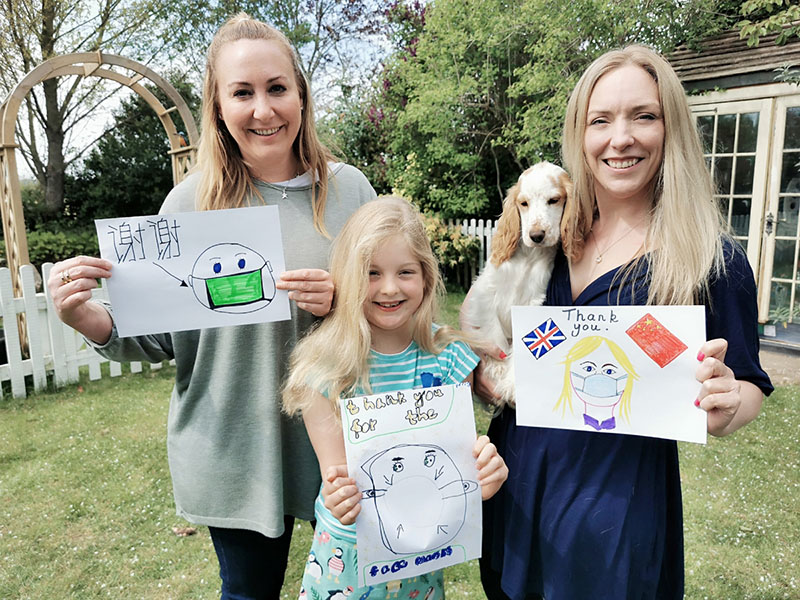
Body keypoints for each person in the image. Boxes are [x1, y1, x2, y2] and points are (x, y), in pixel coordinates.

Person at [46, 14, 376, 600]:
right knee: (248, 592)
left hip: (342, 442)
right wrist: (84, 317)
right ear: (218, 106)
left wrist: (344, 305)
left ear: (301, 93)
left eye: (277, 88)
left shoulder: (351, 191)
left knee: (360, 588)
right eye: (242, 92)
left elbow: (394, 303)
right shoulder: (188, 204)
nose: (264, 109)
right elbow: (157, 337)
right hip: (233, 448)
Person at [470, 45, 774, 600]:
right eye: (600, 120)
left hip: (613, 517)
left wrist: (730, 403)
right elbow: (495, 335)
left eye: (644, 116)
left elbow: (749, 383)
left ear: (671, 127)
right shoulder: (552, 240)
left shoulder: (710, 258)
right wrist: (481, 371)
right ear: (580, 134)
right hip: (515, 491)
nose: (621, 138)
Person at [282, 196, 509, 599]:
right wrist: (338, 496)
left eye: (405, 272)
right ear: (348, 277)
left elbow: (455, 465)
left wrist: (483, 476)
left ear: (425, 277)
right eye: (371, 273)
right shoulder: (325, 368)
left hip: (421, 557)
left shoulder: (450, 359)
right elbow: (337, 477)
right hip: (346, 563)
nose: (389, 288)